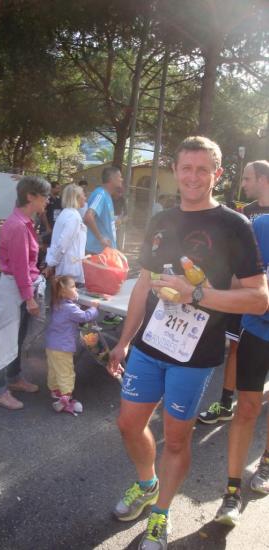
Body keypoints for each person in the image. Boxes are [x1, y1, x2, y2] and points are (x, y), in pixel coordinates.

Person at [108, 136, 268, 550]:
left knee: (176, 439)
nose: (193, 177)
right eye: (186, 168)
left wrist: (196, 294)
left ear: (217, 174)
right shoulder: (162, 219)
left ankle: (160, 513)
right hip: (148, 345)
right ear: (176, 171)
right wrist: (123, 342)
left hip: (194, 355)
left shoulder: (236, 225)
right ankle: (147, 484)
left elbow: (258, 296)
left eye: (203, 169)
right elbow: (144, 283)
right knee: (128, 424)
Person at [199, 160, 269, 424]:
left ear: (263, 179)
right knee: (236, 348)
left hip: (262, 300)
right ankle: (226, 403)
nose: (243, 184)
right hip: (241, 296)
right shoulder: (246, 212)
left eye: (248, 179)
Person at [215, 211, 269, 526]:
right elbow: (233, 277)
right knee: (246, 409)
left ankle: (265, 464)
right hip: (258, 332)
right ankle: (231, 492)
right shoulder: (261, 226)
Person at [0, 176, 51, 410]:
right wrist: (29, 298)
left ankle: (14, 378)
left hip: (18, 288)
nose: (48, 201)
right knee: (4, 340)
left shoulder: (23, 222)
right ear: (31, 196)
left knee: (16, 338)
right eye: (45, 196)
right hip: (14, 289)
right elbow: (20, 267)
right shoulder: (19, 225)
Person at [45, 275, 99, 415]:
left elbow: (72, 311)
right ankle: (66, 398)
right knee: (67, 373)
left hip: (51, 345)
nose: (76, 289)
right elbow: (84, 317)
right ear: (63, 292)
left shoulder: (57, 303)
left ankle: (55, 390)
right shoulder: (70, 308)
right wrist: (93, 308)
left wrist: (75, 300)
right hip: (63, 347)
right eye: (73, 287)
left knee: (54, 369)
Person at [45, 184, 87, 285]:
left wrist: (52, 263)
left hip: (66, 267)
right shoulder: (73, 217)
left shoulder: (66, 213)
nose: (85, 198)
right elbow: (63, 244)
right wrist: (51, 264)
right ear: (76, 197)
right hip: (69, 270)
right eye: (83, 195)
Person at [84, 166, 123, 254]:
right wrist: (101, 238)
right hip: (96, 251)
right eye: (119, 177)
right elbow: (88, 217)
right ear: (111, 179)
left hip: (105, 251)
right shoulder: (101, 194)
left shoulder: (107, 195)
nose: (122, 179)